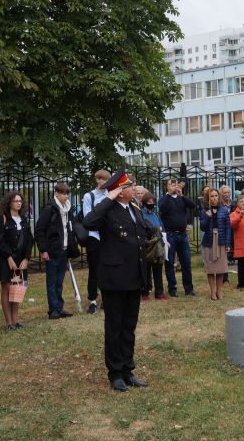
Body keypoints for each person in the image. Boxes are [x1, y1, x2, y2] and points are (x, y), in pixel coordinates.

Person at [82, 167, 149, 392]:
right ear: (120, 191)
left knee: (129, 326)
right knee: (115, 327)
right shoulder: (108, 210)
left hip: (134, 276)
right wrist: (108, 197)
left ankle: (128, 369)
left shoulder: (134, 209)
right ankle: (115, 373)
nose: (134, 188)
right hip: (114, 278)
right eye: (129, 185)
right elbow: (88, 222)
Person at [0, 191, 33, 330]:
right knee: (7, 288)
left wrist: (26, 258)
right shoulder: (3, 218)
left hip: (21, 260)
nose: (18, 203)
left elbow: (29, 240)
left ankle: (15, 320)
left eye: (20, 201)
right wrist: (8, 256)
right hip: (6, 260)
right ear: (9, 202)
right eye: (16, 201)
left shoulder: (24, 219)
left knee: (17, 288)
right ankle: (8, 322)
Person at [35, 182, 76, 320]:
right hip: (52, 250)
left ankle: (59, 307)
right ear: (56, 193)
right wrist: (43, 250)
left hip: (63, 249)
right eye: (63, 193)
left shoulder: (68, 210)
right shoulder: (50, 209)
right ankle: (53, 310)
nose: (65, 196)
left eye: (67, 193)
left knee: (59, 281)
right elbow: (39, 229)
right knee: (52, 282)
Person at [158, 178, 197, 297]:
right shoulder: (164, 199)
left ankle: (189, 289)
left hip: (182, 234)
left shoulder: (181, 198)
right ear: (167, 187)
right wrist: (169, 195)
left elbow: (193, 205)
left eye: (176, 184)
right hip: (170, 235)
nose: (174, 186)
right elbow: (162, 208)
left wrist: (182, 195)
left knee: (186, 262)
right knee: (170, 263)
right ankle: (172, 289)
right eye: (172, 184)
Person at [83, 169, 110, 314]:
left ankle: (106, 299)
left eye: (105, 179)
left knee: (107, 269)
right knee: (94, 270)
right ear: (97, 180)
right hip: (94, 237)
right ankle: (92, 300)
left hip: (108, 237)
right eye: (101, 179)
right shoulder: (89, 196)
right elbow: (88, 217)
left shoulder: (110, 195)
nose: (103, 182)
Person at [200, 188, 231, 300]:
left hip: (221, 240)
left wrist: (228, 243)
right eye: (212, 196)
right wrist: (208, 218)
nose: (214, 198)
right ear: (208, 198)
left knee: (220, 268)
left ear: (219, 197)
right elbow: (202, 228)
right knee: (211, 268)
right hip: (209, 242)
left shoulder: (224, 211)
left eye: (216, 196)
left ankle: (219, 291)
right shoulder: (204, 211)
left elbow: (228, 228)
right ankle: (213, 292)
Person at [140, 192, 167, 300]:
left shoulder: (155, 214)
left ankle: (159, 293)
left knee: (158, 269)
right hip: (147, 245)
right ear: (144, 202)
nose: (151, 203)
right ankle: (145, 292)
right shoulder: (141, 214)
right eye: (149, 201)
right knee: (146, 270)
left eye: (153, 202)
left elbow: (162, 228)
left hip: (158, 245)